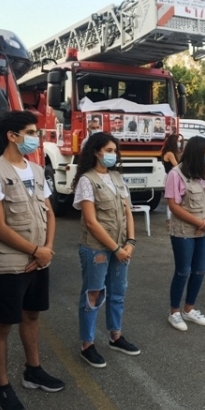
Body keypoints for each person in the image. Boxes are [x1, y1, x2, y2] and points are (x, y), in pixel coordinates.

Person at [0, 111, 64, 410]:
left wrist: (47, 250)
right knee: (3, 325)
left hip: (40, 257)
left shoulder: (38, 170)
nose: (36, 138)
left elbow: (49, 213)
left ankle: (33, 370)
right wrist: (35, 251)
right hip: (13, 261)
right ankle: (2, 388)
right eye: (31, 132)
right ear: (12, 136)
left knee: (32, 315)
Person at [72, 132, 140, 368]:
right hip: (97, 249)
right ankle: (87, 344)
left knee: (118, 291)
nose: (113, 155)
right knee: (93, 295)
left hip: (121, 247)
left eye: (114, 151)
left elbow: (128, 211)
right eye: (109, 150)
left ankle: (116, 336)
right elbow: (91, 222)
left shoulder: (117, 178)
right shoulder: (86, 181)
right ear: (96, 152)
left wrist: (131, 242)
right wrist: (116, 248)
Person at [165, 137, 205, 331]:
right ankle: (174, 313)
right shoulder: (175, 174)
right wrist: (200, 222)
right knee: (183, 271)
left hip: (204, 230)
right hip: (184, 232)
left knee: (200, 270)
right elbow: (173, 206)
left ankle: (189, 309)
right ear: (195, 153)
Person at [162, 134, 182, 226]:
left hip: (173, 176)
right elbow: (176, 165)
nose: (179, 143)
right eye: (178, 141)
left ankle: (171, 218)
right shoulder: (169, 153)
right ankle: (169, 219)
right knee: (172, 198)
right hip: (171, 176)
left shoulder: (172, 152)